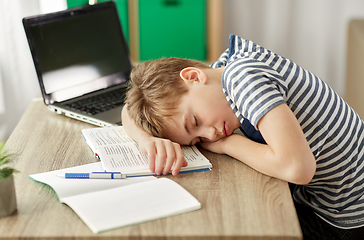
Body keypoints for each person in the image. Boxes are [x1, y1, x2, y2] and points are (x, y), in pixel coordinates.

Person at [121, 34, 364, 239]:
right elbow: (128, 110)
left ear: (194, 77)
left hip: (348, 215)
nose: (209, 135)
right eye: (196, 140)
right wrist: (147, 140)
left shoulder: (242, 78)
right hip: (323, 199)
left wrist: (229, 144)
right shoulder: (224, 68)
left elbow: (298, 168)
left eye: (195, 122)